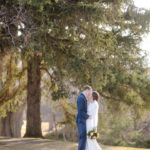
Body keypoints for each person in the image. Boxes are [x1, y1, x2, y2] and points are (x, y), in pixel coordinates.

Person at [76, 85, 93, 150]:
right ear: (87, 90)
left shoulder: (84, 98)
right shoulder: (81, 98)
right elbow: (80, 111)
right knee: (82, 138)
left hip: (83, 121)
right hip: (81, 121)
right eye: (90, 92)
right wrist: (88, 116)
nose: (90, 94)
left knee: (83, 138)